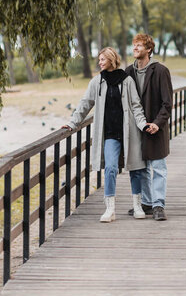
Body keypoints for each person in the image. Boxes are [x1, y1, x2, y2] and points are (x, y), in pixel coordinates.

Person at [63, 47, 156, 222]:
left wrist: (143, 125)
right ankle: (110, 209)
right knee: (111, 168)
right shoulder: (96, 82)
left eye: (103, 59)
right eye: (99, 60)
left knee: (136, 169)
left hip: (130, 133)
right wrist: (72, 122)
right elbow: (85, 104)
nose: (100, 63)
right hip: (110, 134)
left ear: (112, 60)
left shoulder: (127, 81)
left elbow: (136, 106)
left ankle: (137, 206)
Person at [127, 34, 173, 221]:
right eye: (134, 45)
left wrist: (157, 123)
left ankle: (158, 205)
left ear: (149, 49)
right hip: (136, 129)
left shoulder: (160, 71)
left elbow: (167, 103)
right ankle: (146, 203)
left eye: (139, 45)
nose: (135, 48)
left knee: (159, 167)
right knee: (142, 168)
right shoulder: (128, 71)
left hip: (156, 127)